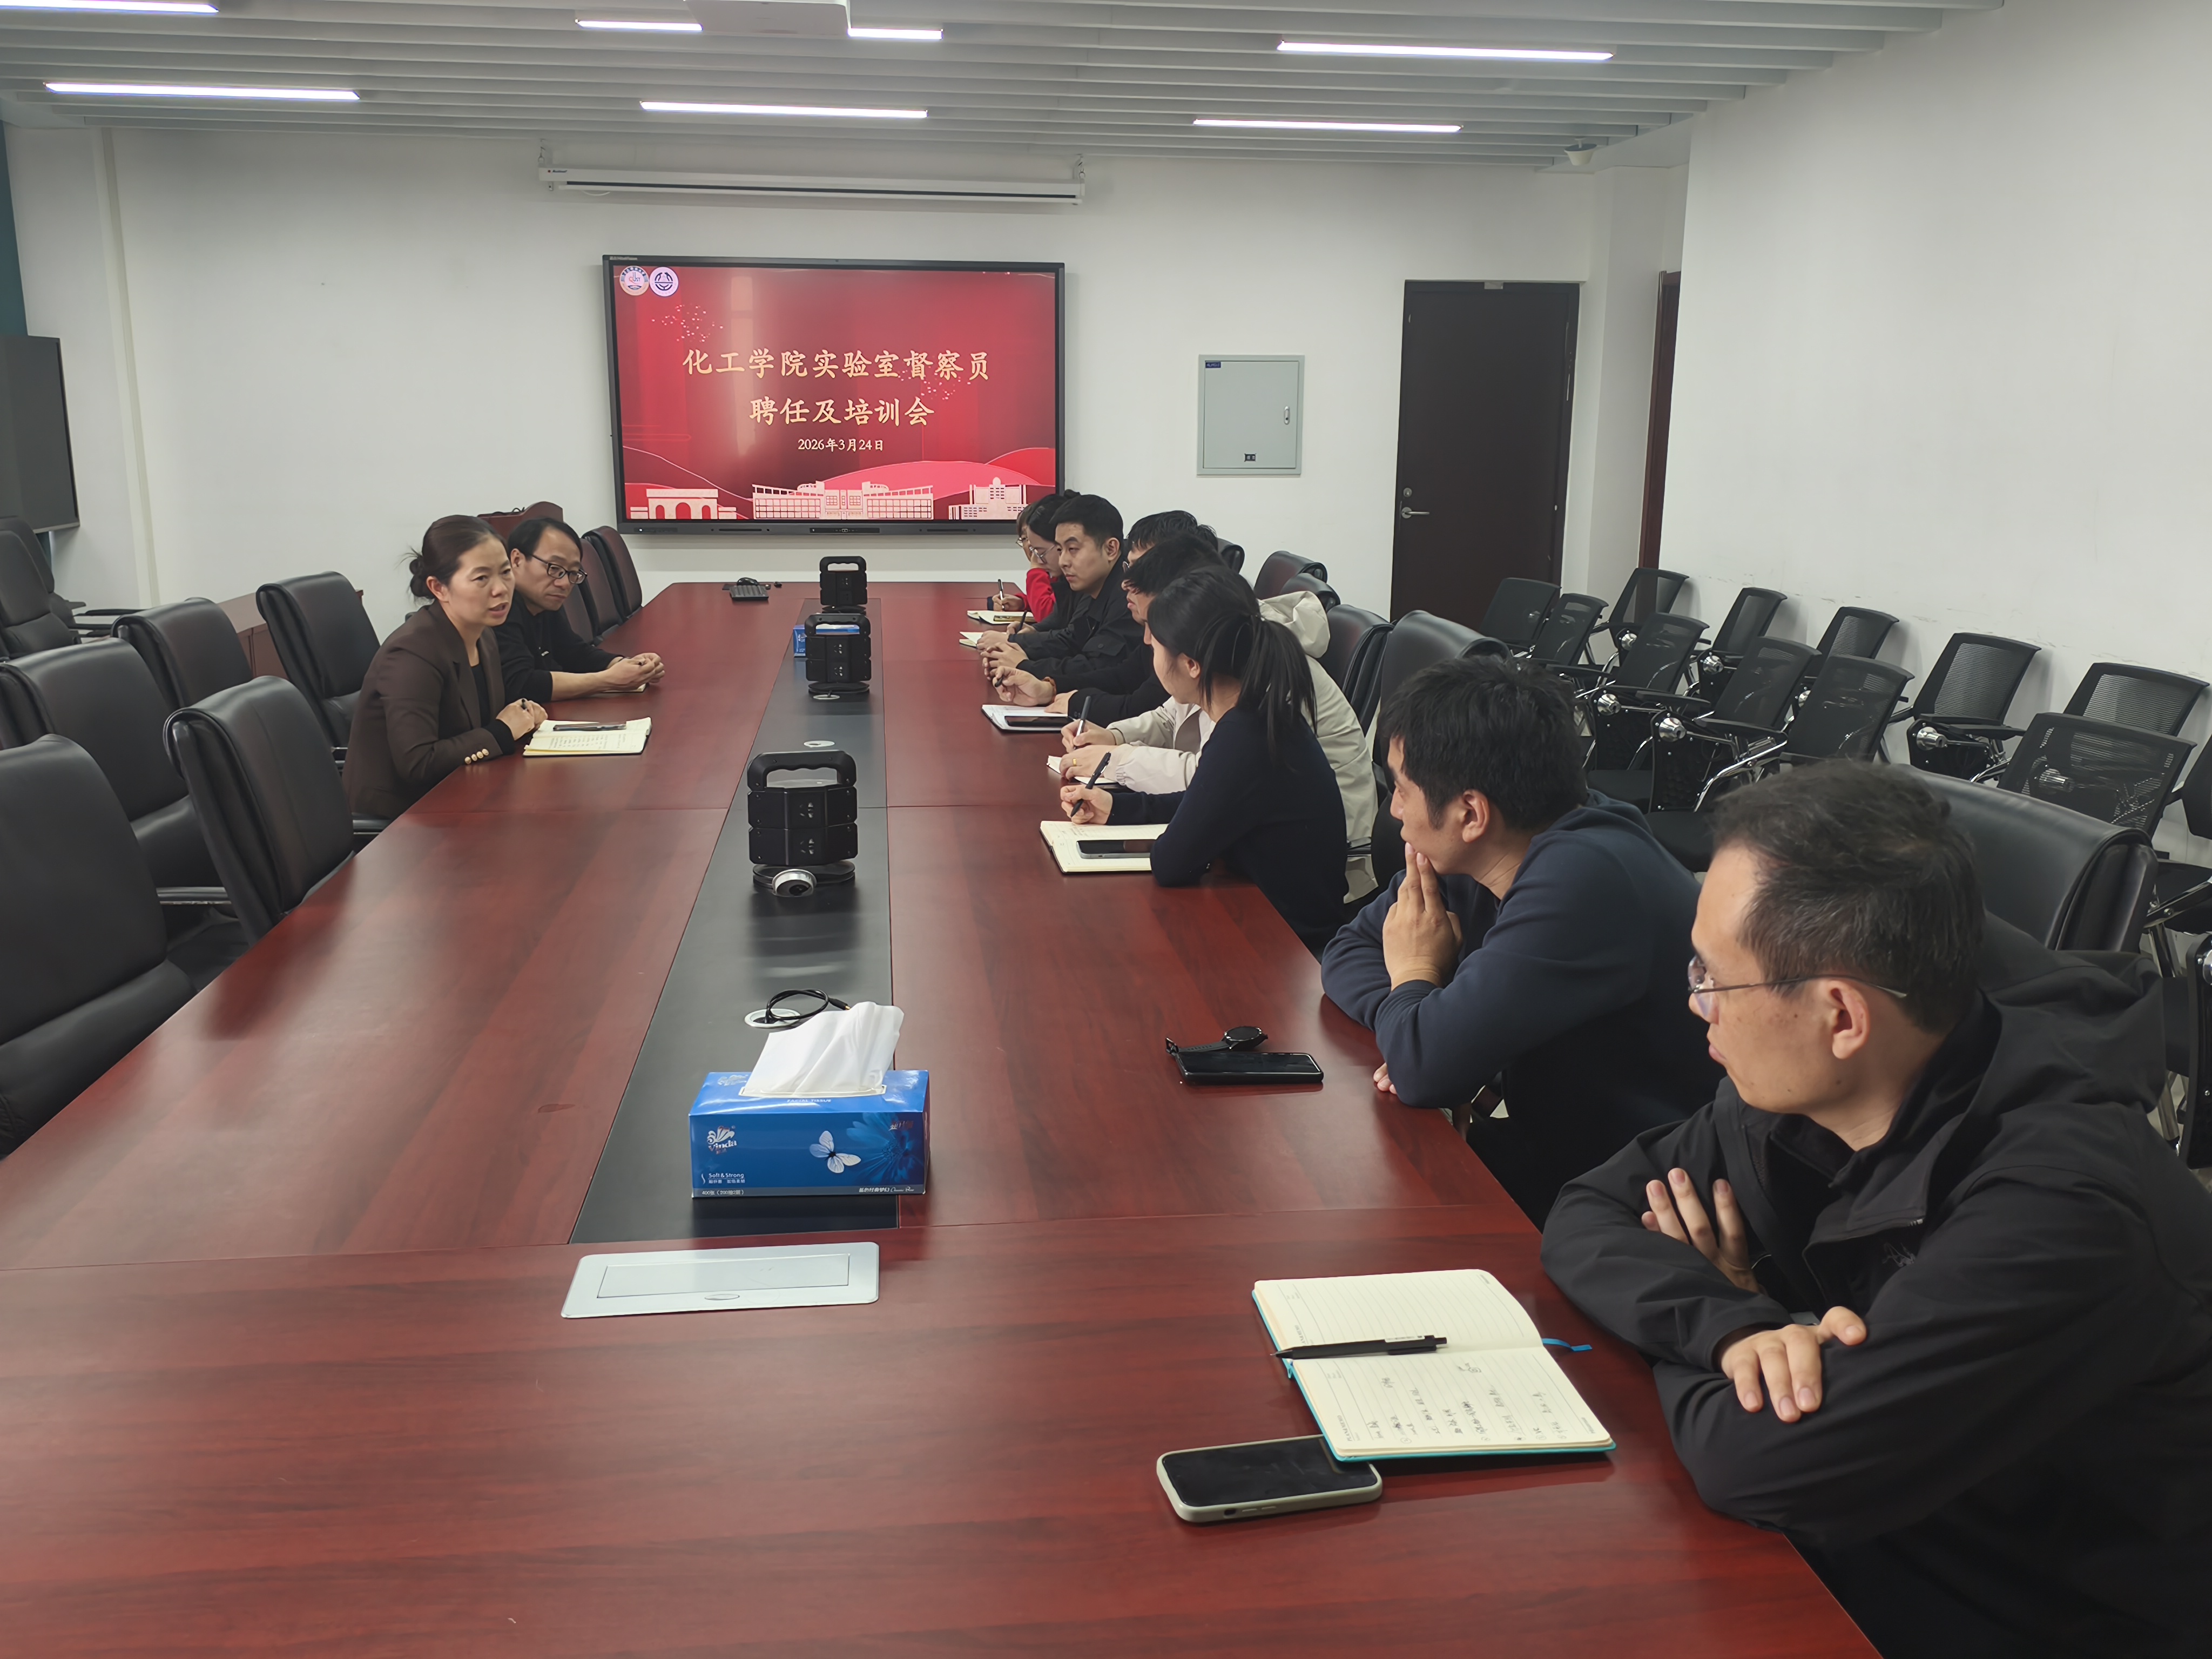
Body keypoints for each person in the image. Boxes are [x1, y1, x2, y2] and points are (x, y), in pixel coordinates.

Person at [1540, 764, 2212, 1659]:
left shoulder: (2066, 1209)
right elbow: (1590, 1210)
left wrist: (1737, 1318)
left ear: (1841, 1016)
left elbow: (1760, 1463)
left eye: (1715, 980)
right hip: (1878, 1527)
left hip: (2030, 1609)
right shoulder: (1810, 1087)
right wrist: (1731, 1328)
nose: (1696, 1006)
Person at [1319, 656, 1717, 1222]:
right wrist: (1424, 1024)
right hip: (1561, 1152)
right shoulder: (1488, 848)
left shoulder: (1584, 878)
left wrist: (1419, 994)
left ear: (1471, 813)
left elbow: (1422, 1067)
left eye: (1402, 789)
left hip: (1644, 1199)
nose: (1395, 810)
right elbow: (1347, 951)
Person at [1057, 530, 1377, 901]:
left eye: (1154, 640)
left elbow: (1172, 861)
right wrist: (1117, 807)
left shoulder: (1247, 728)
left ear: (1192, 663)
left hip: (1286, 921)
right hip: (1260, 885)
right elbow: (1211, 796)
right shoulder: (1241, 695)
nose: (1146, 644)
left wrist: (1121, 762)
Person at [345, 515, 545, 819]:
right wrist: (503, 731)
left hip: (464, 794)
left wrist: (523, 716)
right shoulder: (412, 655)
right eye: (482, 578)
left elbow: (481, 723)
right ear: (439, 588)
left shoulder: (484, 636)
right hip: (403, 820)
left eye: (506, 572)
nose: (501, 589)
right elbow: (418, 763)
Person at [978, 495, 1140, 697]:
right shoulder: (1094, 584)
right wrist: (1015, 647)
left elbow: (1099, 667)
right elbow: (1072, 638)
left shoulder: (1129, 596)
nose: (1063, 561)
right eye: (1060, 550)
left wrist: (1025, 665)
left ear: (1111, 549)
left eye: (1073, 549)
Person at [496, 517, 665, 705]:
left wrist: (627, 665)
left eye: (572, 573)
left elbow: (574, 653)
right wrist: (608, 680)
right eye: (554, 568)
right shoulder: (499, 608)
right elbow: (521, 684)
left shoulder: (543, 602)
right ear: (517, 560)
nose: (564, 583)